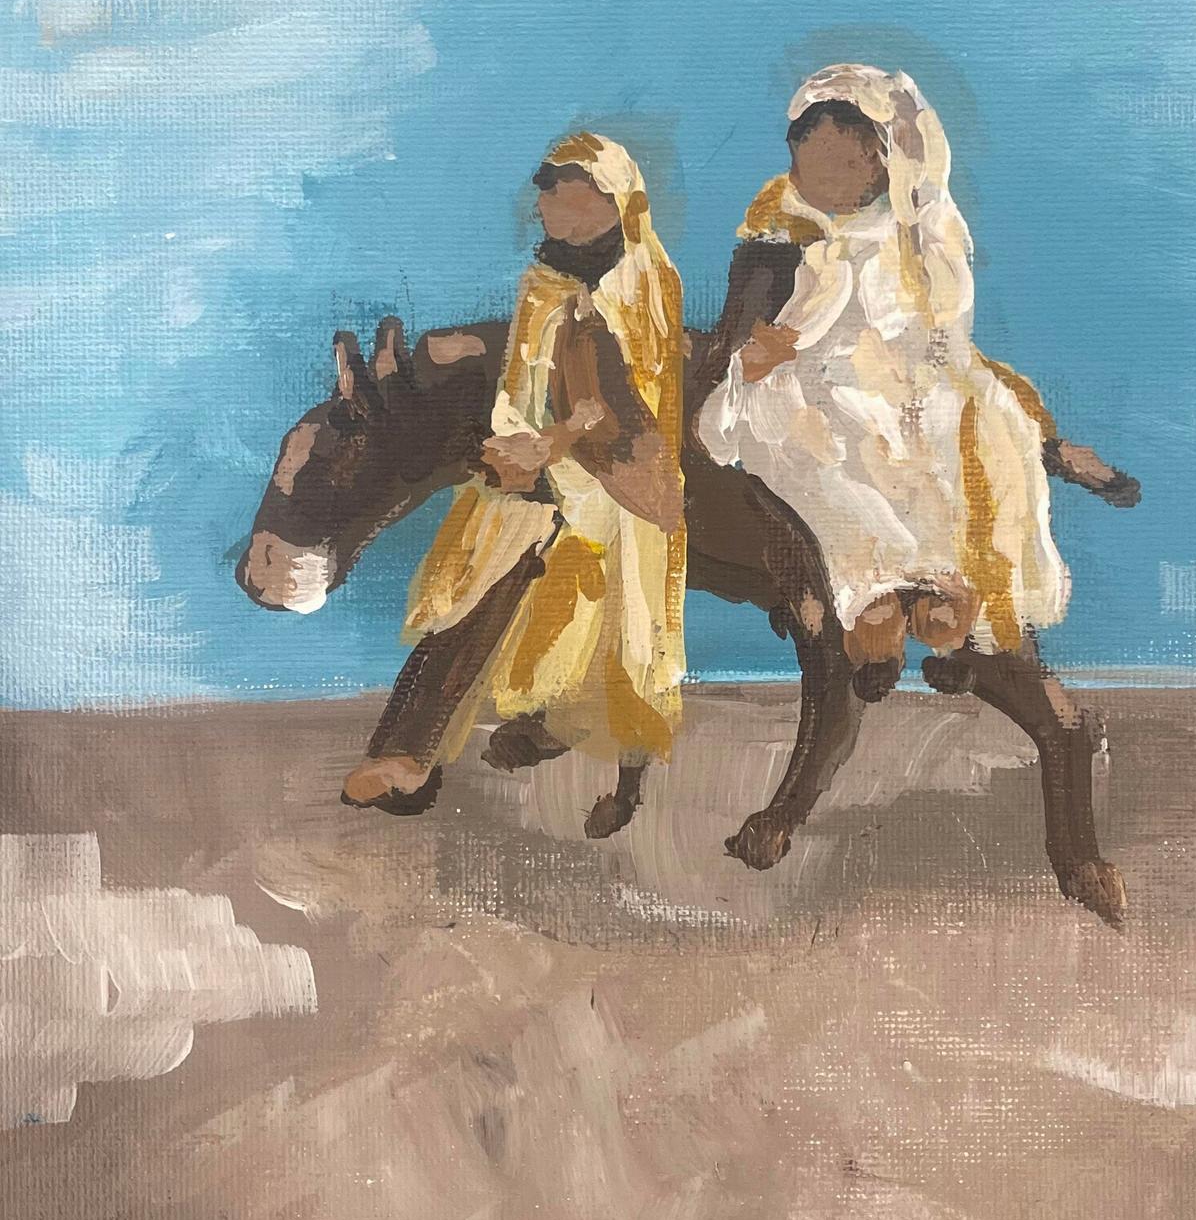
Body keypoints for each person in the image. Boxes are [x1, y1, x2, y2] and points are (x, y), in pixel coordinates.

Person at [697, 63, 1122, 698]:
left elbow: (943, 335)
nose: (823, 179)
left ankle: (949, 613)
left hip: (902, 379)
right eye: (809, 162)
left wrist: (928, 381)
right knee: (828, 465)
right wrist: (760, 354)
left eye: (845, 164)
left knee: (959, 445)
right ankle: (875, 606)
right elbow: (765, 324)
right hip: (811, 383)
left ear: (884, 162)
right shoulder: (785, 229)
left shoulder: (920, 236)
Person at [340, 132, 686, 837]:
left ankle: (615, 779)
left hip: (608, 481)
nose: (559, 209)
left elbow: (619, 400)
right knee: (464, 597)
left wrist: (550, 443)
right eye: (552, 196)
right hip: (529, 467)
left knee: (618, 635)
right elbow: (527, 364)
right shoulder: (543, 282)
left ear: (616, 204)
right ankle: (406, 754)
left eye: (577, 196)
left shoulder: (640, 283)